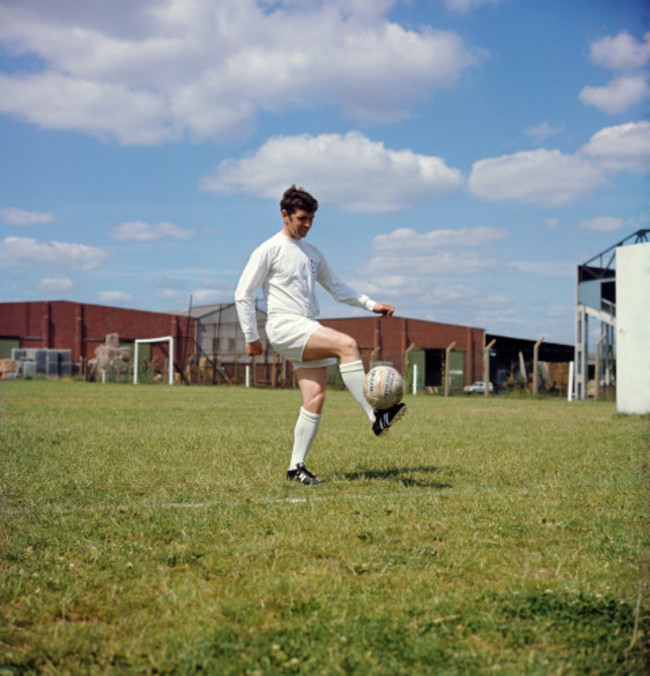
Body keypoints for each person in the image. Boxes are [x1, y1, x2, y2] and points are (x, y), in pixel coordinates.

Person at [235, 185, 406, 485]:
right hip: (285, 326)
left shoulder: (312, 253)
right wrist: (251, 336)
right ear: (284, 215)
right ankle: (375, 417)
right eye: (302, 218)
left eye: (312, 219)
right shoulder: (268, 249)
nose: (308, 225)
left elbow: (337, 287)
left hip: (306, 324)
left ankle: (295, 467)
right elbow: (243, 294)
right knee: (347, 344)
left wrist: (370, 304)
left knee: (315, 397)